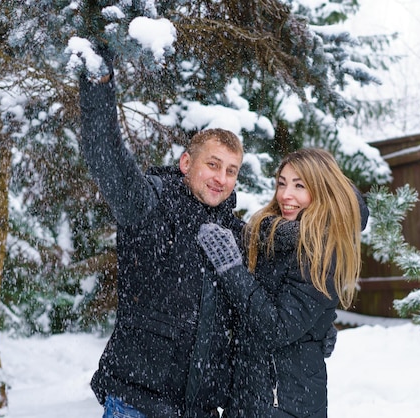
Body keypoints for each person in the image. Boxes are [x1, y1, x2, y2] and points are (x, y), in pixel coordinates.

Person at [79, 53, 245, 417]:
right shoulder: (151, 204)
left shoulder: (235, 234)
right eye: (213, 165)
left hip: (199, 409)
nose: (222, 178)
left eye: (231, 170)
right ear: (187, 163)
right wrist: (98, 86)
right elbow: (107, 159)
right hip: (137, 402)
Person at [198, 148, 368, 417]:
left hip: (283, 404)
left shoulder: (320, 251)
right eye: (282, 183)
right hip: (250, 397)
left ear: (322, 190)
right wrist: (316, 324)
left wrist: (232, 270)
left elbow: (276, 329)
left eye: (300, 186)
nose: (286, 195)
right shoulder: (275, 236)